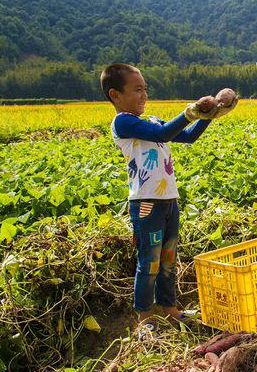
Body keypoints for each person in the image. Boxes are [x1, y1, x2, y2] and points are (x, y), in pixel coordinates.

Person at [101, 63, 238, 333]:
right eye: (137, 90)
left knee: (168, 258)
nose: (144, 96)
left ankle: (170, 309)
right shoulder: (123, 122)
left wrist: (210, 115)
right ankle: (144, 318)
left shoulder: (150, 119)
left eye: (145, 89)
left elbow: (186, 137)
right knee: (149, 261)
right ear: (115, 95)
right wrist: (191, 111)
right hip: (146, 203)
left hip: (169, 201)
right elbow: (162, 134)